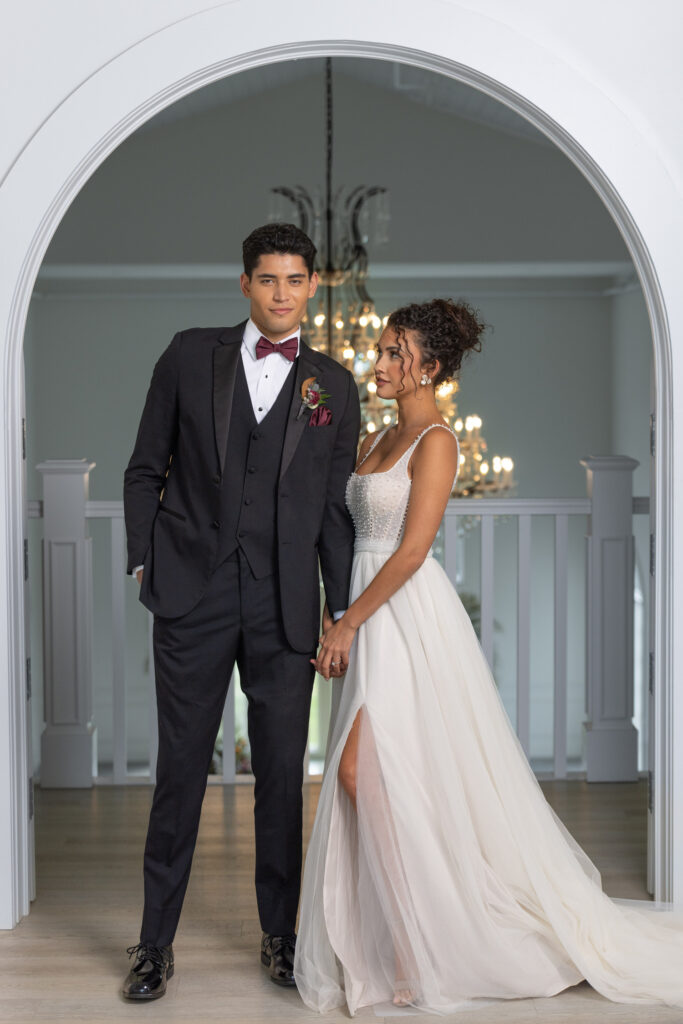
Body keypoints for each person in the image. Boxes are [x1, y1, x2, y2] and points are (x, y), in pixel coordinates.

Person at [294, 298, 683, 1016]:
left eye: (392, 354)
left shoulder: (435, 441)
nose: (376, 364)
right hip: (362, 608)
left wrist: (349, 622)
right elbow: (343, 533)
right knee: (374, 776)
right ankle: (406, 937)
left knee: (361, 770)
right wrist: (333, 611)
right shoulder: (376, 434)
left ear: (430, 368)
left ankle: (418, 946)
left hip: (404, 616)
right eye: (378, 350)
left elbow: (412, 551)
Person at [121, 223, 359, 1000]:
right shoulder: (190, 355)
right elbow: (141, 468)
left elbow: (331, 511)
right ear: (245, 284)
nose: (281, 292)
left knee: (283, 777)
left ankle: (281, 939)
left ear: (312, 286)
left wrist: (339, 612)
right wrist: (142, 555)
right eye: (267, 279)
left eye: (294, 279)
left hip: (286, 605)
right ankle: (154, 944)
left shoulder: (334, 384)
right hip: (191, 593)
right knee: (179, 771)